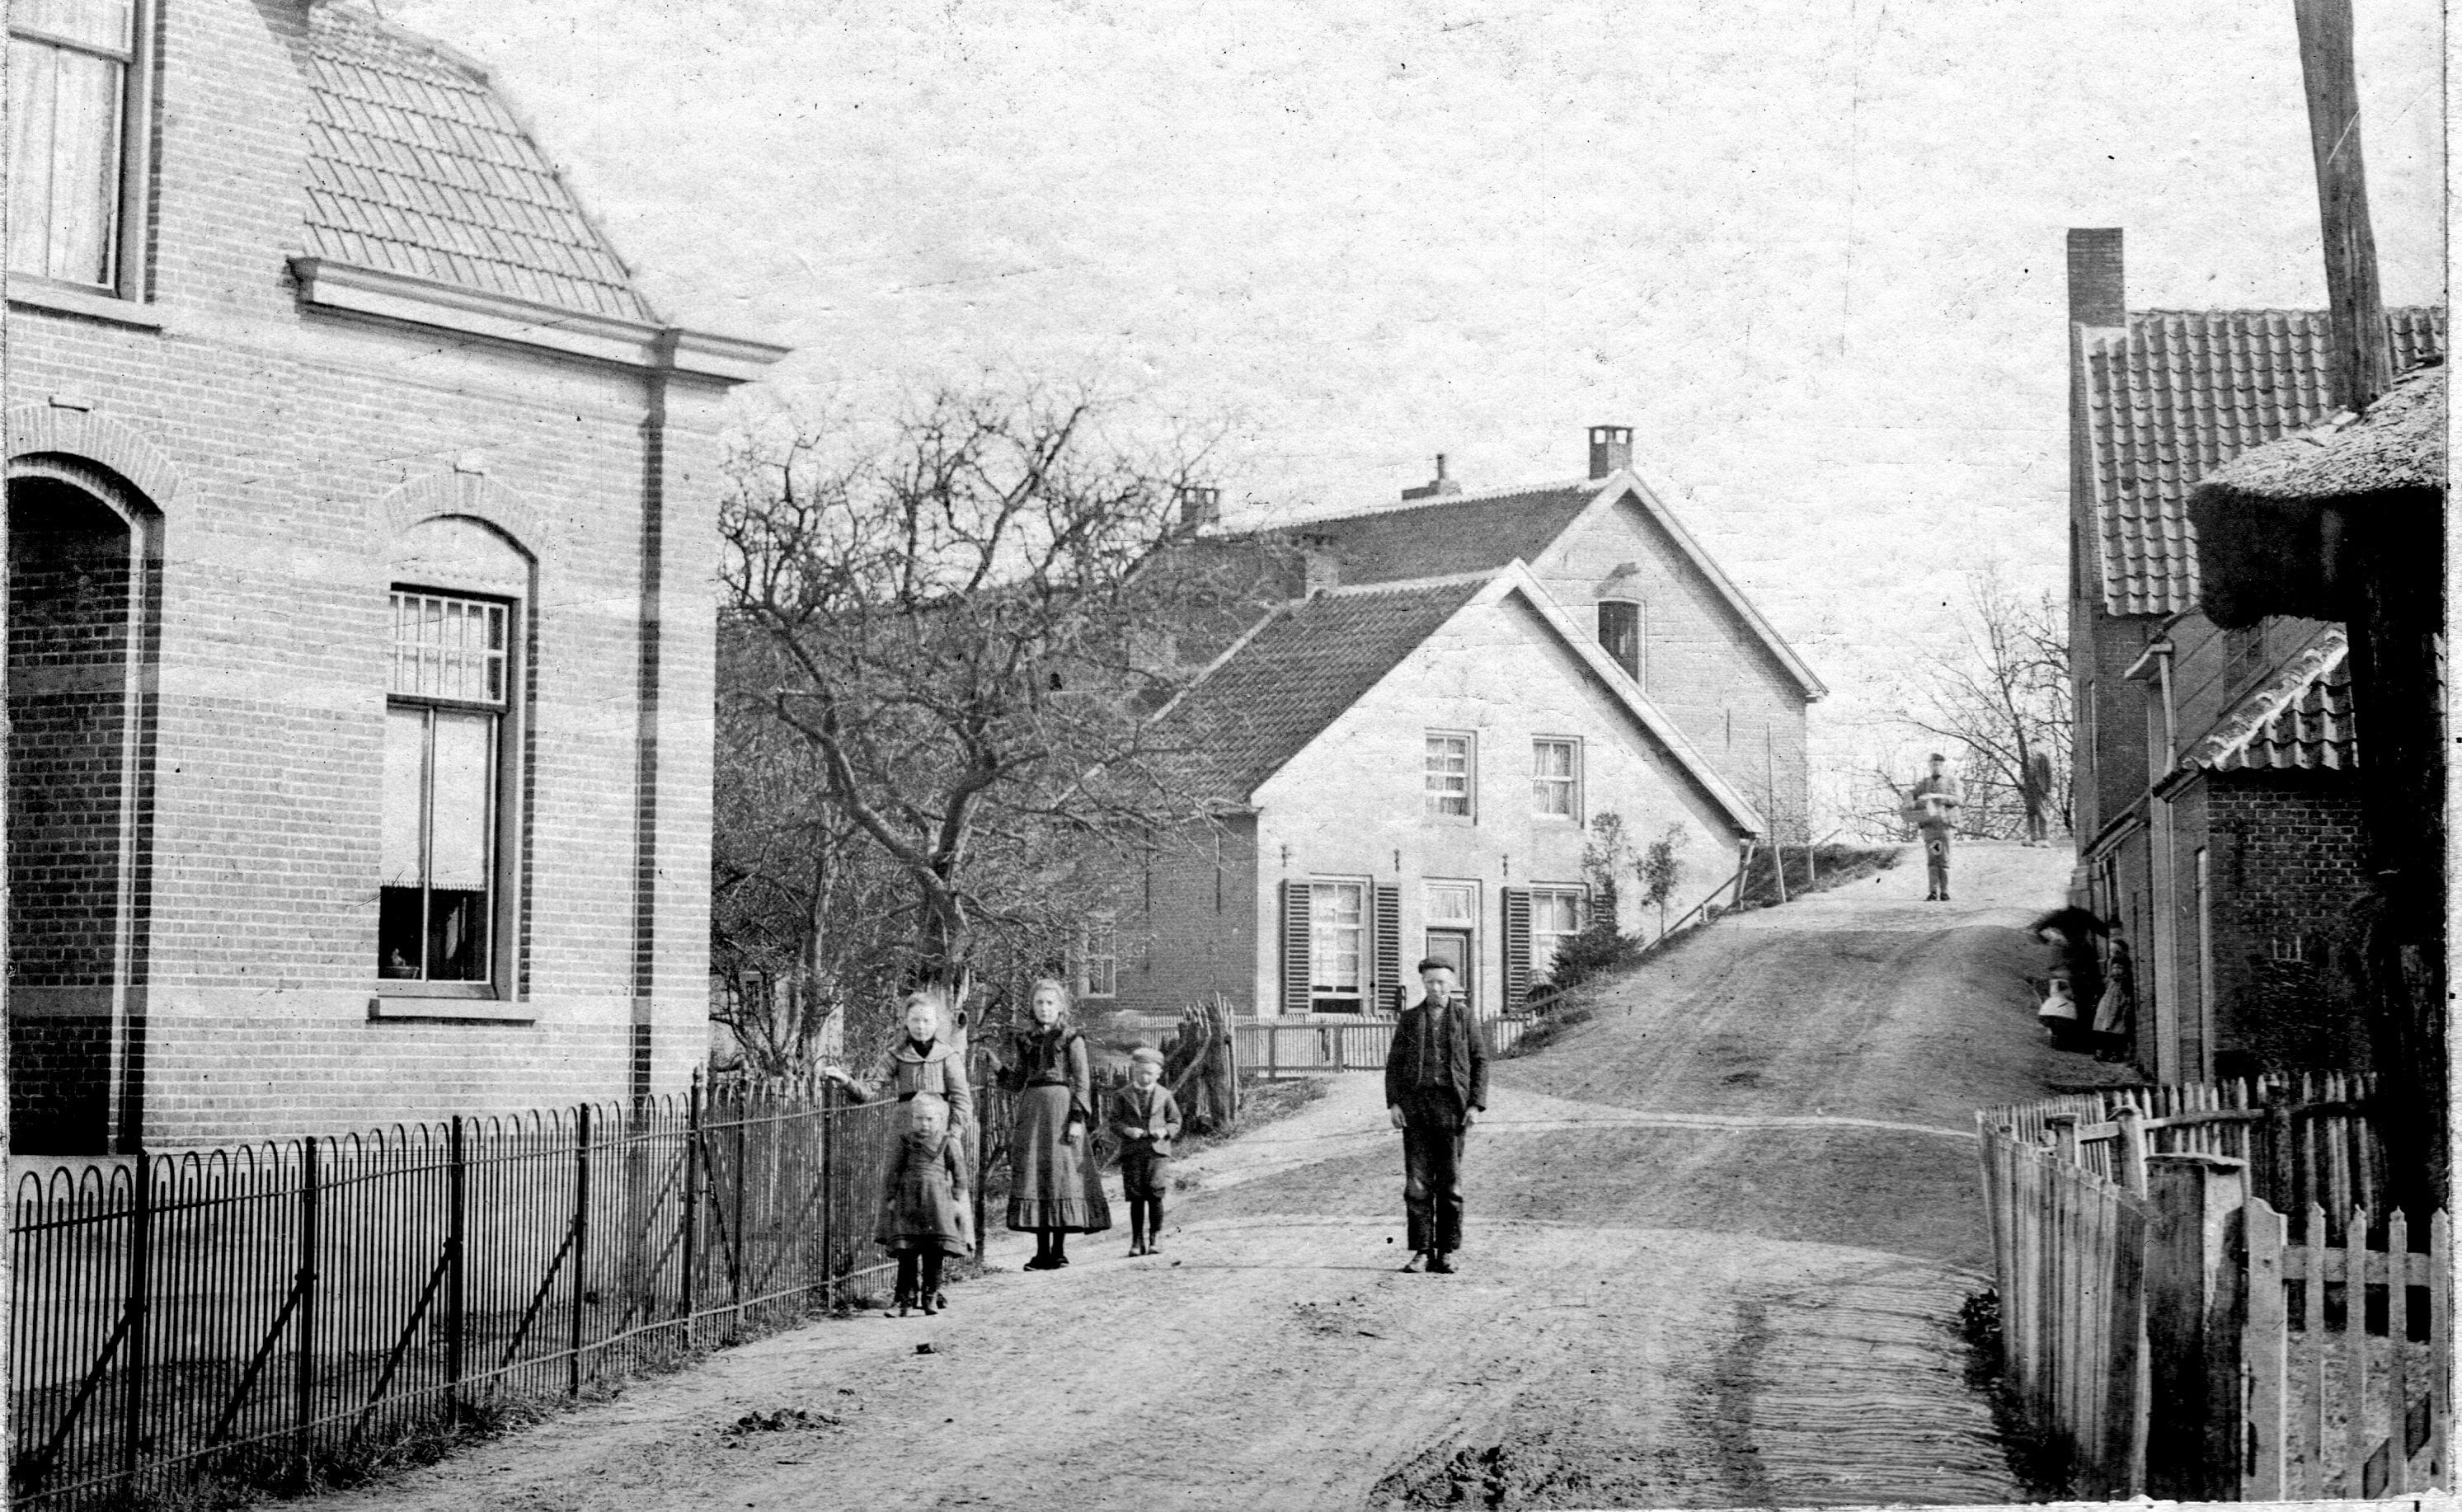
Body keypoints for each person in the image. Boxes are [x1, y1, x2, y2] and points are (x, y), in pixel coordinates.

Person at [1382, 958, 1488, 1275]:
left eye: (1442, 982)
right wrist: (1395, 1104)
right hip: (1416, 1110)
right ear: (1424, 984)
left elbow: (1480, 1062)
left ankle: (1446, 1252)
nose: (1436, 988)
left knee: (1451, 1184)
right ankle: (1422, 1252)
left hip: (1452, 1110)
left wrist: (1475, 1105)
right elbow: (1394, 1065)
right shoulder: (1410, 1019)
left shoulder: (1465, 1018)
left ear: (1452, 984)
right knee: (1417, 1184)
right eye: (1430, 982)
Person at [998, 978, 1111, 1269]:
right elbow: (1017, 1082)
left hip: (1062, 1113)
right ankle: (1041, 1253)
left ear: (1061, 1007)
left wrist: (1077, 1119)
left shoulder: (1073, 1038)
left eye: (1050, 1003)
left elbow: (1083, 1083)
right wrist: (998, 1070)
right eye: (1039, 1003)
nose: (1045, 1008)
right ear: (1032, 1006)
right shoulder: (1025, 1040)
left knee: (1061, 1175)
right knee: (1037, 1175)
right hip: (1033, 1113)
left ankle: (1058, 1251)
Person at [877, 1094, 969, 1316]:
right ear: (912, 1120)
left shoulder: (947, 1142)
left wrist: (956, 1199)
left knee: (934, 1253)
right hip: (908, 1203)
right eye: (919, 1119)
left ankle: (930, 1297)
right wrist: (891, 1197)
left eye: (929, 1119)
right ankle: (904, 1301)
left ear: (940, 1120)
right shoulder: (905, 1142)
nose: (924, 1124)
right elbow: (894, 1171)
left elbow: (960, 1174)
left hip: (937, 1204)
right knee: (907, 1254)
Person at [1109, 1046, 1182, 1257]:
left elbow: (1175, 1120)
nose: (1144, 1077)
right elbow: (1114, 1121)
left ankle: (1155, 1238)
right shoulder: (1123, 1095)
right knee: (1136, 1196)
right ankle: (1137, 1240)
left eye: (1149, 1073)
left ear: (1158, 1074)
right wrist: (1127, 1130)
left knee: (1155, 1193)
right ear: (1133, 1071)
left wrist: (1164, 1131)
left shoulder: (1165, 1095)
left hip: (1157, 1152)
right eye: (1140, 1072)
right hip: (1132, 1151)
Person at [2027, 906, 2107, 1053]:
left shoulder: (2057, 916)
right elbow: (2104, 931)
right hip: (2082, 960)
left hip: (2065, 961)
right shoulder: (2082, 914)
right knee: (2084, 1000)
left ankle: (2066, 1040)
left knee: (2065, 1000)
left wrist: (2050, 940)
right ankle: (2082, 1041)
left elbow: (2035, 929)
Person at [1905, 753, 1962, 900]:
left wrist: (1939, 797)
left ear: (1943, 765)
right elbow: (1910, 796)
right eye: (1932, 764)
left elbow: (1959, 800)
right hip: (1929, 826)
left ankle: (1945, 892)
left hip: (1945, 825)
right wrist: (1912, 801)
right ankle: (1933, 891)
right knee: (1933, 859)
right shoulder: (1924, 783)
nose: (1935, 767)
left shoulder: (1952, 781)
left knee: (1944, 859)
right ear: (1929, 766)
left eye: (1938, 764)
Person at [2092, 927, 2137, 1064]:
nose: (2113, 954)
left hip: (2119, 999)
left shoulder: (2125, 967)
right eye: (2111, 951)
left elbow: (2127, 986)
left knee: (2117, 1027)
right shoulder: (2110, 966)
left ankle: (2116, 1053)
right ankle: (2102, 1051)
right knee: (2103, 1024)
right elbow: (2108, 979)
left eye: (2117, 951)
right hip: (2109, 999)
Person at [2021, 749, 2055, 847]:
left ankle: (2044, 838)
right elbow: (2025, 772)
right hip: (2029, 788)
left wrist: (2047, 790)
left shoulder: (2043, 757)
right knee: (2030, 812)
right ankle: (2033, 837)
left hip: (2039, 789)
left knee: (2041, 813)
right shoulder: (2027, 756)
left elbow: (2048, 773)